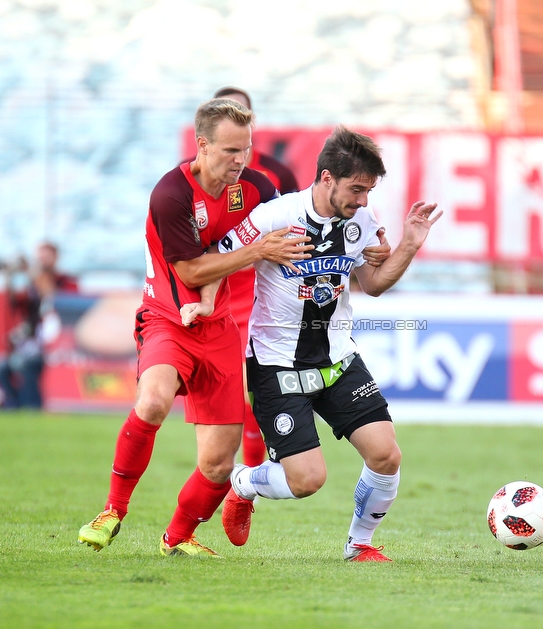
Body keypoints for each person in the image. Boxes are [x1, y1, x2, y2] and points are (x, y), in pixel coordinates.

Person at [77, 98, 315, 557]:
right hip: (167, 319)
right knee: (153, 400)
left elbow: (299, 218)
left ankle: (178, 536)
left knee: (219, 464)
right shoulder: (171, 194)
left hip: (219, 328)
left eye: (245, 149)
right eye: (229, 151)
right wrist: (255, 251)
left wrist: (364, 242)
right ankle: (112, 510)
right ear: (202, 146)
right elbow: (188, 272)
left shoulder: (254, 187)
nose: (240, 161)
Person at [198, 126, 441, 562]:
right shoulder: (275, 216)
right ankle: (243, 484)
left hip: (338, 359)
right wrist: (204, 309)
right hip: (277, 364)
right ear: (327, 177)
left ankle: (359, 545)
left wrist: (408, 244)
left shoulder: (361, 222)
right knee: (307, 480)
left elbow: (374, 283)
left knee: (386, 455)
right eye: (357, 189)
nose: (364, 200)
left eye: (369, 190)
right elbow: (217, 260)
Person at [214, 86, 300, 470]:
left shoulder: (275, 174)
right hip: (214, 285)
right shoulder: (189, 175)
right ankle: (229, 469)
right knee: (225, 387)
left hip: (257, 291)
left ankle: (250, 474)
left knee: (252, 383)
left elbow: (298, 226)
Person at [0, 241, 77, 409]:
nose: (41, 262)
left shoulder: (65, 281)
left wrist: (34, 274)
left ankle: (32, 406)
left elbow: (56, 300)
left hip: (56, 347)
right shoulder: (32, 284)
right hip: (31, 345)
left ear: (55, 258)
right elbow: (17, 306)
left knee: (22, 364)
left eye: (45, 257)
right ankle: (13, 405)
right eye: (39, 257)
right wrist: (9, 278)